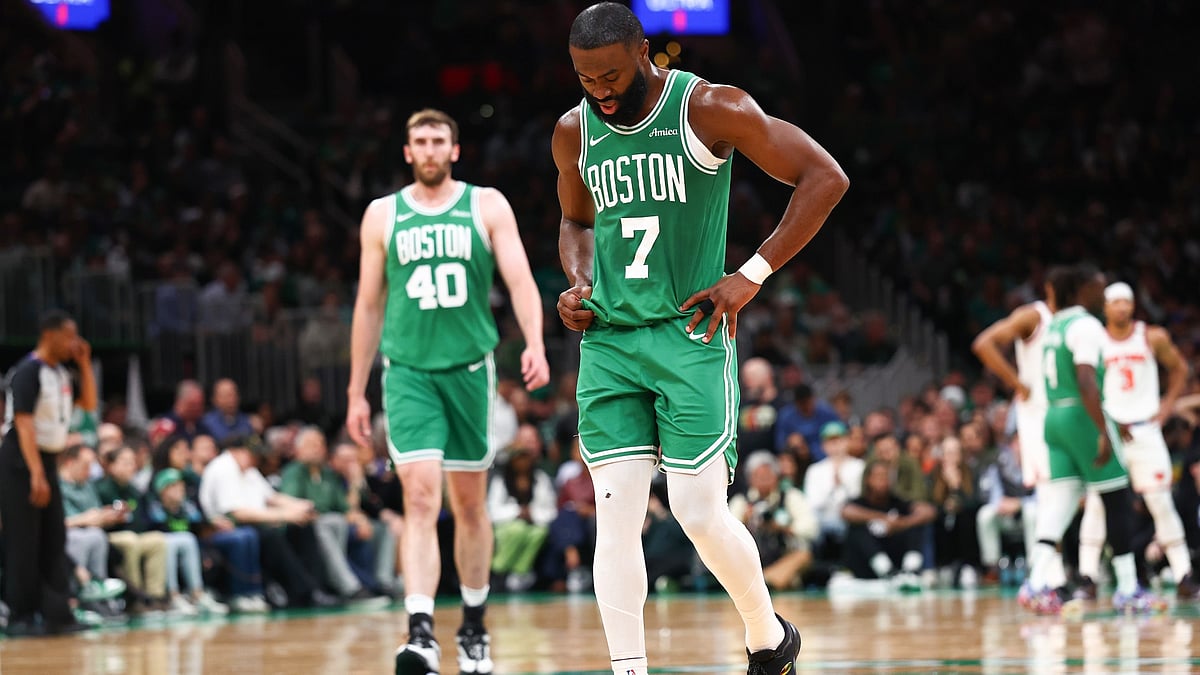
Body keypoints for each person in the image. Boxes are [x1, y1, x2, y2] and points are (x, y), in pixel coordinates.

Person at [552, 4, 847, 673]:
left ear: (645, 53)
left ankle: (767, 633)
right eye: (583, 78)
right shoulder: (574, 131)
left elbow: (825, 177)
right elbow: (575, 221)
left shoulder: (711, 107)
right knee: (615, 513)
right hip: (609, 341)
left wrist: (751, 273)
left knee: (697, 510)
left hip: (690, 333)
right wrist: (576, 280)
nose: (598, 90)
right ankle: (629, 668)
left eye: (610, 75)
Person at [345, 107, 550, 675]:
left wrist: (533, 341)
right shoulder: (382, 215)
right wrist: (356, 390)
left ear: (454, 150)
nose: (430, 149)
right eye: (420, 141)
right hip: (408, 371)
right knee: (418, 497)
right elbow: (367, 305)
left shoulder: (486, 204)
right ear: (407, 152)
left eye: (439, 140)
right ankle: (420, 634)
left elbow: (520, 280)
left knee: (469, 506)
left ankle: (475, 628)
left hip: (468, 370)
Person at [1023, 264, 1165, 614]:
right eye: (1099, 287)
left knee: (1061, 502)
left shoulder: (1055, 324)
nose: (1103, 295)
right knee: (1117, 500)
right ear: (1082, 289)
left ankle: (1035, 583)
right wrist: (1103, 429)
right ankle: (1129, 590)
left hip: (1054, 415)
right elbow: (1086, 379)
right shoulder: (1085, 325)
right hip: (1081, 414)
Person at [1074, 282, 1196, 600]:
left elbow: (1180, 369)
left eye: (1126, 302)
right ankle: (1088, 575)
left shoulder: (1151, 336)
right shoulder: (1094, 340)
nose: (1121, 308)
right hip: (1109, 430)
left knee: (1160, 501)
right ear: (1105, 307)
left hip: (1144, 429)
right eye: (1115, 303)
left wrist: (1166, 407)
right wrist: (1106, 421)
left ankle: (1184, 573)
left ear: (1133, 306)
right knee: (1099, 504)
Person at [971, 267, 1073, 598]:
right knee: (1049, 496)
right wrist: (1017, 383)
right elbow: (984, 344)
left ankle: (1068, 574)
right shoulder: (1034, 315)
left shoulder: (1077, 321)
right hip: (1040, 419)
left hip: (1068, 416)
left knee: (1067, 496)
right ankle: (1046, 580)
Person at [0, 311, 96, 635]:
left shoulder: (61, 373)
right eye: (70, 336)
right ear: (50, 335)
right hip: (20, 463)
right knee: (23, 541)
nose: (75, 343)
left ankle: (58, 614)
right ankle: (20, 616)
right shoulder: (28, 371)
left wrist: (84, 363)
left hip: (47, 462)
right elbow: (23, 423)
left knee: (55, 537)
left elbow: (90, 403)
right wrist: (36, 473)